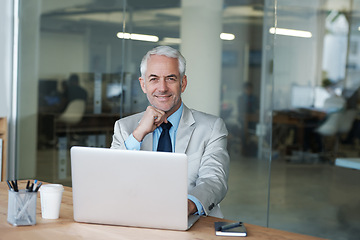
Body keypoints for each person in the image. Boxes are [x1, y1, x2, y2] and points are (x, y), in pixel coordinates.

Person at [111, 46, 230, 218]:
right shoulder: (125, 128)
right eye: (154, 79)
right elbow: (111, 178)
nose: (162, 88)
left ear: (183, 83)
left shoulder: (212, 128)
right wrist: (138, 134)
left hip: (192, 220)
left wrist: (186, 207)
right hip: (137, 219)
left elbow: (214, 180)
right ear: (143, 84)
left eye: (170, 78)